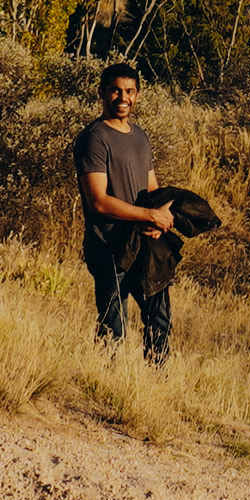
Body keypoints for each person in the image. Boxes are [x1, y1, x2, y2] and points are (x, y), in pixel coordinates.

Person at [72, 65, 177, 364]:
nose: (123, 98)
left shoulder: (140, 136)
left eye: (129, 91)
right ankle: (109, 381)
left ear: (137, 95)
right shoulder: (94, 138)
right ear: (102, 92)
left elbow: (152, 188)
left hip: (144, 244)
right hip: (109, 246)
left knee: (160, 320)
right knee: (113, 326)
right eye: (115, 90)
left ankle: (157, 382)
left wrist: (161, 218)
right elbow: (99, 202)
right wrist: (149, 215)